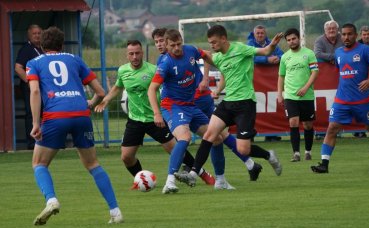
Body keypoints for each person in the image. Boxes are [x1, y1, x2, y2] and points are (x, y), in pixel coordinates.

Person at [27, 27, 123, 225]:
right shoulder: (75, 59)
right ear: (61, 45)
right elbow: (100, 91)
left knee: (39, 163)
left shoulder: (34, 63)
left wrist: (36, 123)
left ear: (42, 46)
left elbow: (35, 92)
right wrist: (90, 104)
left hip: (55, 116)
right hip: (80, 114)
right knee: (93, 164)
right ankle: (115, 211)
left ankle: (51, 200)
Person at [94, 40, 215, 189]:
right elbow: (117, 87)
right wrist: (105, 101)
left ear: (142, 53)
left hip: (156, 119)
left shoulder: (153, 70)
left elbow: (166, 89)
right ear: (127, 55)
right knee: (126, 156)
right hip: (135, 120)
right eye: (131, 54)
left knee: (176, 148)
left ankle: (202, 173)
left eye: (137, 53)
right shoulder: (123, 71)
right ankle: (142, 180)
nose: (134, 57)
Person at [152, 28, 267, 182]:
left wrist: (205, 78)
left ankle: (215, 173)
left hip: (201, 98)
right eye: (157, 42)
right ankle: (247, 165)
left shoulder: (188, 51)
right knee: (216, 135)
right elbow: (158, 86)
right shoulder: (163, 61)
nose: (160, 44)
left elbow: (207, 55)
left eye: (161, 41)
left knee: (219, 135)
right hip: (186, 102)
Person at [174, 25, 283, 187]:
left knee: (244, 149)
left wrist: (272, 45)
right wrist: (186, 50)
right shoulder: (218, 57)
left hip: (245, 104)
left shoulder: (241, 49)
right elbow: (205, 56)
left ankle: (269, 156)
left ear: (224, 39)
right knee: (209, 135)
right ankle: (192, 174)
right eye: (210, 43)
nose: (212, 45)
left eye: (214, 42)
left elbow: (265, 52)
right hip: (228, 103)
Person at [311, 23, 369, 173]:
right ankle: (324, 165)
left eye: (349, 34)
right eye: (344, 34)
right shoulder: (339, 52)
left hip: (362, 101)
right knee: (332, 129)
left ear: (355, 35)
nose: (346, 37)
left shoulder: (365, 50)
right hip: (342, 100)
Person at [277, 28, 319, 162]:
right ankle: (296, 153)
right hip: (290, 95)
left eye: (293, 39)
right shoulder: (285, 57)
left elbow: (315, 72)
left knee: (307, 125)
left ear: (299, 38)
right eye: (288, 40)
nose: (291, 42)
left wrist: (306, 87)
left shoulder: (309, 53)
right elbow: (281, 76)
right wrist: (279, 94)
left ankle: (308, 151)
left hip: (307, 95)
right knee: (293, 122)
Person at [247, 25, 284, 142]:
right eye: (257, 33)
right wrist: (266, 60)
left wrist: (278, 58)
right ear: (254, 34)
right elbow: (249, 57)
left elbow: (282, 55)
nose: (260, 35)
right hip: (252, 83)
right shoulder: (249, 44)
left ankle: (271, 134)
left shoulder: (271, 43)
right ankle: (248, 134)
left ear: (265, 34)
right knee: (252, 108)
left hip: (270, 83)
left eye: (262, 33)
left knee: (270, 106)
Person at [314, 20, 347, 139]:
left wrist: (337, 57)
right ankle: (321, 130)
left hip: (343, 76)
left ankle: (343, 129)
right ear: (325, 31)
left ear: (337, 30)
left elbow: (347, 49)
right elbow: (317, 54)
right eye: (329, 29)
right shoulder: (319, 40)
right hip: (324, 79)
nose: (332, 31)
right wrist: (334, 57)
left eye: (334, 28)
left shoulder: (342, 37)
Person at [15, 24, 44, 150]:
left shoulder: (44, 48)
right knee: (32, 114)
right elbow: (18, 68)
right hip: (31, 89)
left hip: (45, 88)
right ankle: (32, 143)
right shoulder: (26, 49)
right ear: (29, 35)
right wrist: (30, 82)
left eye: (39, 33)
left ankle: (47, 140)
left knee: (47, 113)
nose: (37, 36)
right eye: (34, 34)